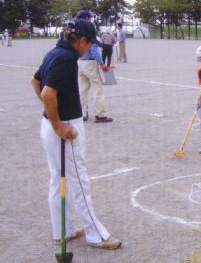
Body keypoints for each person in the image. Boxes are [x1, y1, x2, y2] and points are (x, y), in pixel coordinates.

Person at [31, 19, 121, 249]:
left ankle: (63, 230)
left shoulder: (56, 52)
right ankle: (95, 235)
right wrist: (58, 124)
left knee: (57, 178)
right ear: (82, 40)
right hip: (65, 127)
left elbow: (36, 81)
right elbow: (48, 93)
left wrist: (51, 115)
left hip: (53, 124)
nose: (91, 47)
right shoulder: (65, 58)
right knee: (79, 181)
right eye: (91, 43)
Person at [76, 9, 113, 123]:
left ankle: (81, 114)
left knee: (83, 89)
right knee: (98, 87)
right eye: (90, 17)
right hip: (90, 62)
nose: (91, 19)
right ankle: (100, 114)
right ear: (87, 18)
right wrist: (102, 64)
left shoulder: (77, 31)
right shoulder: (88, 30)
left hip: (80, 62)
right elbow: (94, 50)